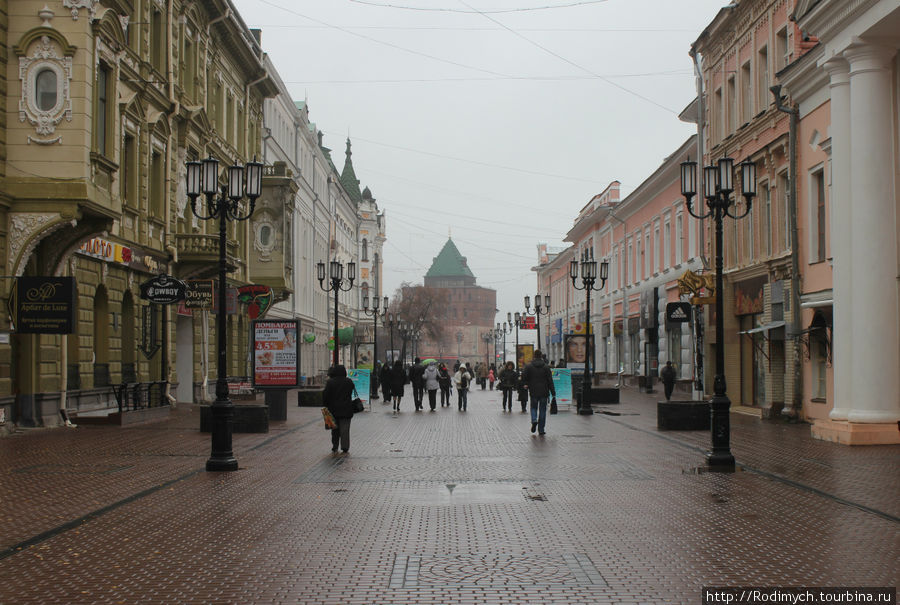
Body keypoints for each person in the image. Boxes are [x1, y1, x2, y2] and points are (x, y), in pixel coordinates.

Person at [323, 365, 357, 453]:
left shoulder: (330, 382)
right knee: (345, 429)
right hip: (346, 409)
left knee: (335, 429)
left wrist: (326, 404)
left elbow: (326, 396)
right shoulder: (349, 381)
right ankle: (345, 447)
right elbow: (351, 391)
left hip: (333, 410)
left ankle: (335, 446)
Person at [522, 350, 556, 436]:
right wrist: (553, 392)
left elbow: (524, 377)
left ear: (534, 355)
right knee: (542, 410)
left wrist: (526, 384)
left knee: (533, 407)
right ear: (541, 356)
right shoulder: (546, 367)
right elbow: (550, 380)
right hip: (544, 391)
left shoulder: (529, 366)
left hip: (533, 391)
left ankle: (534, 420)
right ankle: (541, 429)